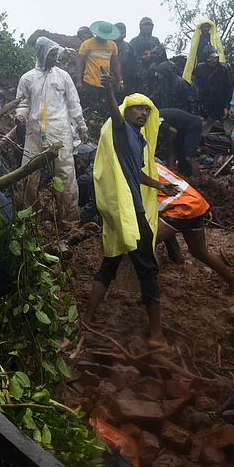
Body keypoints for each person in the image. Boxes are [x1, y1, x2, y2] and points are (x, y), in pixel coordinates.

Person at [83, 80, 175, 346]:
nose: (144, 114)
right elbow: (114, 114)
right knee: (147, 269)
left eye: (147, 110)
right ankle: (156, 334)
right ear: (127, 111)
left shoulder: (139, 140)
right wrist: (110, 92)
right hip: (130, 212)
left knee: (109, 264)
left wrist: (158, 184)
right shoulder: (122, 131)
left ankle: (87, 320)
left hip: (125, 212)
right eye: (138, 109)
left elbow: (136, 173)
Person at [16, 37, 88, 224]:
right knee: (29, 173)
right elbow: (22, 101)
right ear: (41, 54)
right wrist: (21, 114)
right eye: (51, 55)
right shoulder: (27, 78)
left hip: (60, 131)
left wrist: (81, 126)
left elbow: (73, 103)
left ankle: (68, 219)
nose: (55, 58)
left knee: (65, 174)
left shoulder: (63, 77)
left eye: (56, 54)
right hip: (35, 130)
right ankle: (32, 217)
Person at [155, 163, 234, 294]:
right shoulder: (151, 164)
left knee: (146, 244)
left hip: (180, 207)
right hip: (194, 203)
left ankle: (151, 287)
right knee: (199, 251)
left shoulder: (134, 167)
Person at [76, 21, 124, 108]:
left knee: (105, 108)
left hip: (106, 83)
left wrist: (120, 81)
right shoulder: (87, 44)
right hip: (90, 82)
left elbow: (115, 64)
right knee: (90, 108)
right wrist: (78, 81)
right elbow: (80, 62)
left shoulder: (112, 45)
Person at [193, 49, 233, 134]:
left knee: (229, 133)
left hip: (222, 104)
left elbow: (230, 88)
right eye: (210, 58)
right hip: (207, 107)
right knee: (202, 133)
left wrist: (227, 106)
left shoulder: (224, 68)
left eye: (215, 57)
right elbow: (196, 87)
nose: (213, 60)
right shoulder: (200, 68)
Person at [157, 107, 202, 176]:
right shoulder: (157, 116)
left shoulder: (156, 119)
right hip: (182, 129)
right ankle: (171, 174)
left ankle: (198, 181)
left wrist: (167, 143)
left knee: (189, 157)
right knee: (173, 151)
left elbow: (173, 131)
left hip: (193, 126)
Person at [124, 17, 163, 95]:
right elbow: (129, 60)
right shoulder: (134, 41)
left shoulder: (155, 40)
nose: (147, 27)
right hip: (138, 76)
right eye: (145, 25)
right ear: (140, 27)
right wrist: (141, 57)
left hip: (153, 74)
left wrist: (152, 55)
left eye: (149, 25)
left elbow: (161, 57)